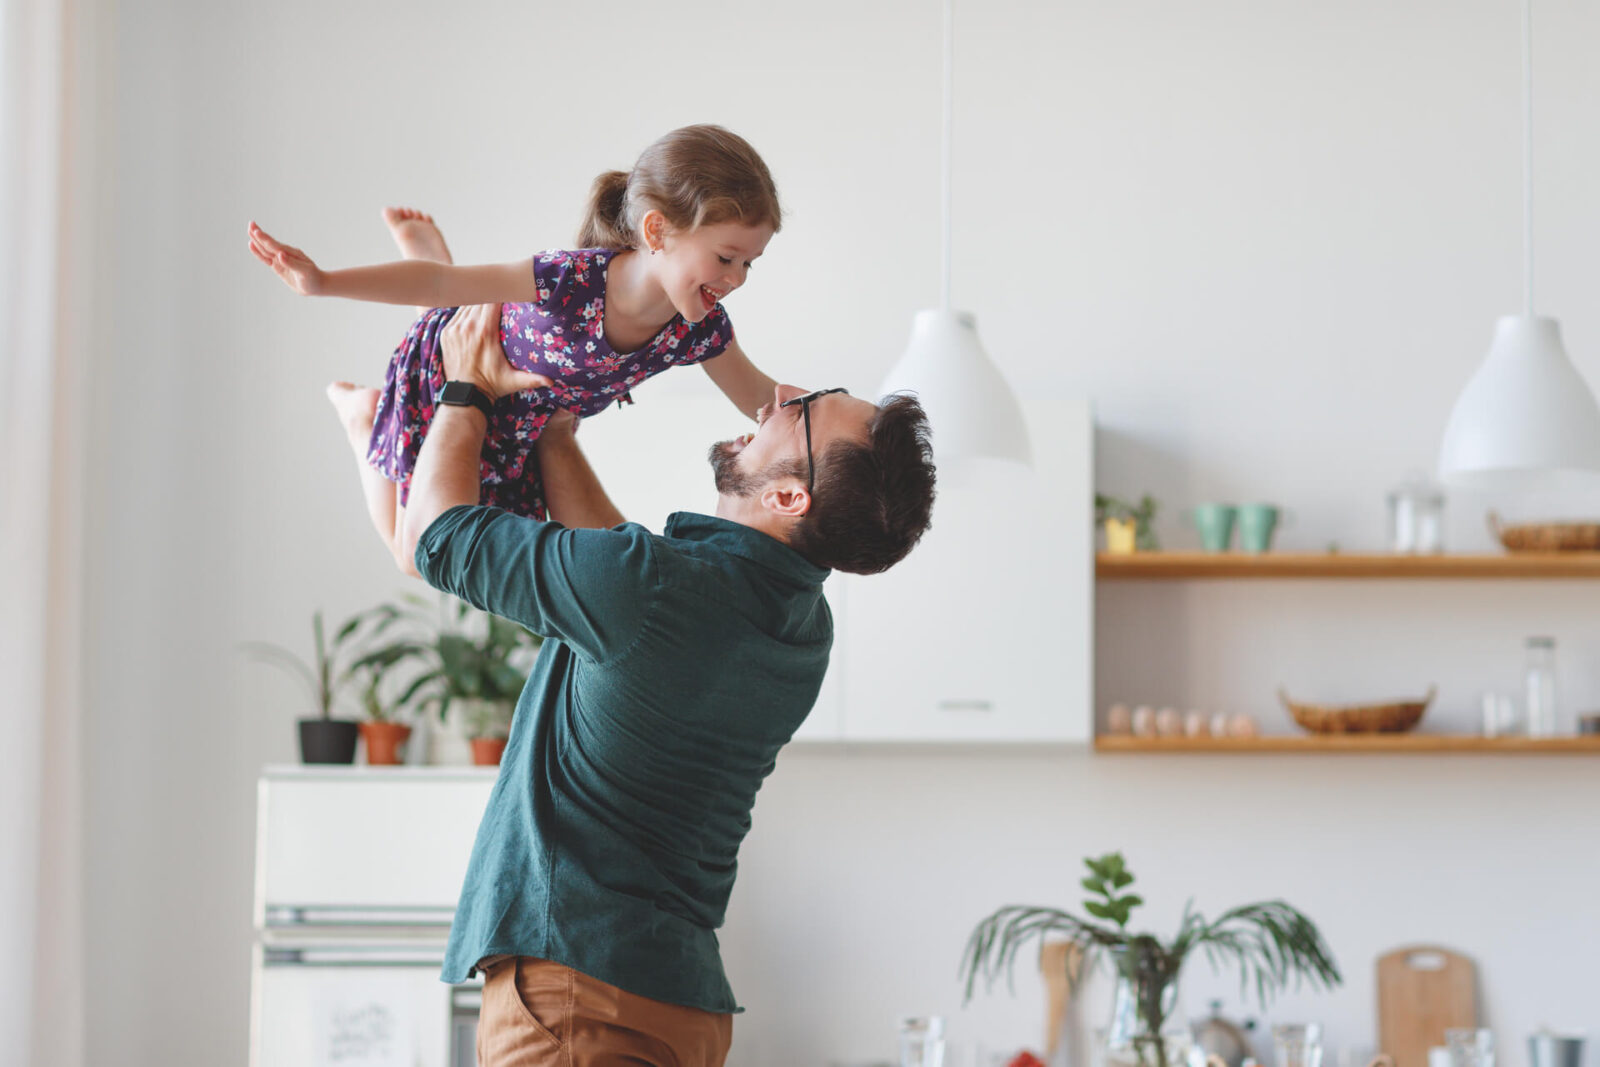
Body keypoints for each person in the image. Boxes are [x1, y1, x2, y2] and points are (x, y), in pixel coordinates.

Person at [407, 301, 936, 1065]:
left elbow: (438, 534)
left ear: (791, 496)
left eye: (805, 411)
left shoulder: (652, 588)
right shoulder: (800, 629)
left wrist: (467, 389)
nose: (780, 394)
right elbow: (623, 593)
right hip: (676, 1007)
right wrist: (555, 433)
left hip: (576, 1000)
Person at [247, 124, 785, 575]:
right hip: (449, 379)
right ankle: (363, 417)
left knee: (449, 555)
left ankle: (437, 286)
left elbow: (762, 397)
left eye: (750, 263)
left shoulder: (699, 329)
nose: (737, 279)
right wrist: (322, 281)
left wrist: (858, 420)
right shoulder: (570, 280)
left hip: (519, 431)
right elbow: (436, 284)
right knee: (415, 558)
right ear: (657, 230)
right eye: (726, 257)